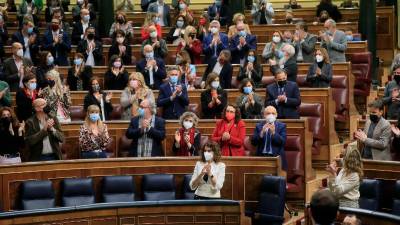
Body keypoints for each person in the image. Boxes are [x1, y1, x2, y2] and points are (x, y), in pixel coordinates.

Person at [326, 143, 362, 208]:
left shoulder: (354, 175)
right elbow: (333, 190)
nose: (343, 158)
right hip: (337, 202)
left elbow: (338, 191)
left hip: (349, 206)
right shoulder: (344, 169)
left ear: (349, 160)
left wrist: (334, 174)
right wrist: (331, 174)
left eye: (344, 156)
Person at [251, 106, 287, 170]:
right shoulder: (259, 126)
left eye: (273, 113)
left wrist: (274, 133)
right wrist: (261, 133)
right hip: (262, 156)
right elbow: (253, 142)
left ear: (276, 115)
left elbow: (283, 142)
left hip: (276, 157)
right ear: (264, 115)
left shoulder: (282, 126)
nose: (271, 115)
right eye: (268, 113)